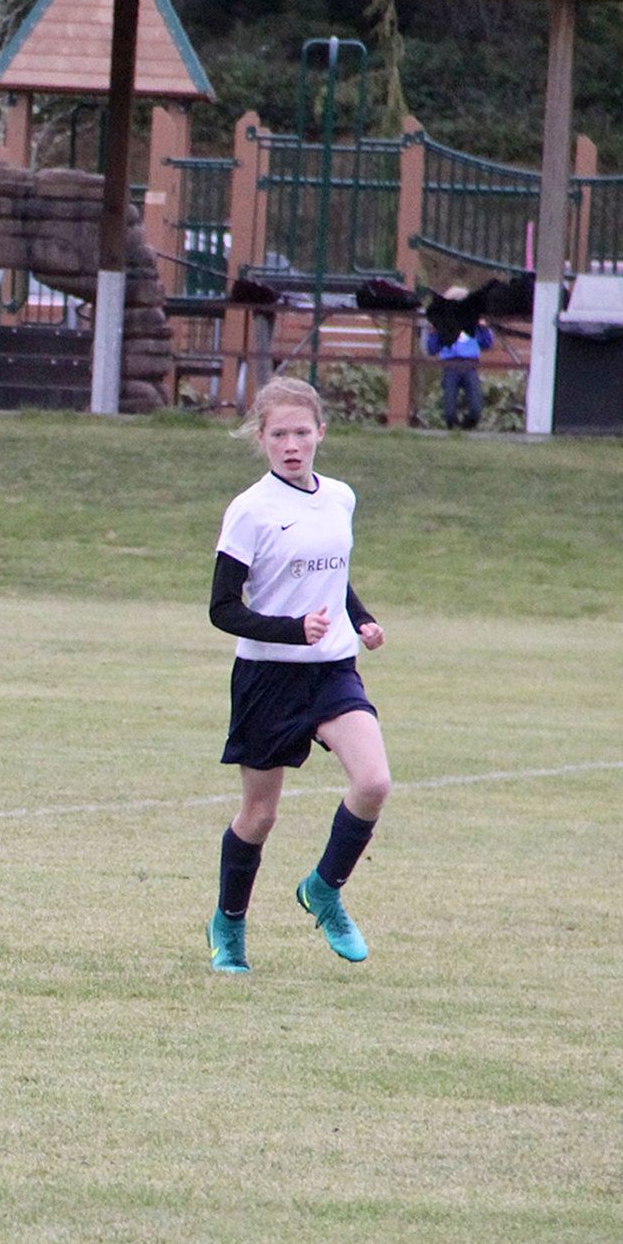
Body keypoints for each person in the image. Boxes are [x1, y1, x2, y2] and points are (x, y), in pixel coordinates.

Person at [205, 376, 391, 975]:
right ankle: (229, 925)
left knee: (374, 783)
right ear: (262, 439)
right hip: (267, 678)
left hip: (333, 669)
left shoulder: (339, 496)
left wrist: (358, 620)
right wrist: (292, 630)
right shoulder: (250, 511)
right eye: (279, 433)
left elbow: (333, 577)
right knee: (260, 816)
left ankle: (325, 888)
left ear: (321, 435)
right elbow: (222, 609)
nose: (292, 443)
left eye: (302, 432)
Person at [423, 285, 493, 429]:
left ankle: (466, 429)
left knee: (475, 408)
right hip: (451, 366)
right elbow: (431, 349)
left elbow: (487, 344)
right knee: (449, 412)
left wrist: (484, 327)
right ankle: (452, 431)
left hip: (470, 365)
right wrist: (434, 331)